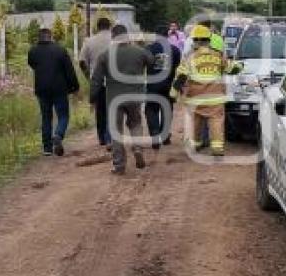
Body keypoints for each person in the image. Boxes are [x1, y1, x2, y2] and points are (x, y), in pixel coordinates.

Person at [90, 24, 155, 175]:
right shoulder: (139, 52)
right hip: (134, 96)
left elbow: (96, 80)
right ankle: (137, 148)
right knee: (136, 123)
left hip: (114, 99)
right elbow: (152, 61)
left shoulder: (105, 55)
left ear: (113, 37)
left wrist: (92, 98)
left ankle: (119, 165)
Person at [171, 24, 238, 157]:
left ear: (195, 40)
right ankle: (217, 148)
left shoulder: (190, 57)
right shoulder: (217, 55)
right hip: (215, 97)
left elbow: (181, 77)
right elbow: (231, 68)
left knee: (196, 121)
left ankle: (195, 144)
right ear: (209, 40)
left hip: (195, 97)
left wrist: (173, 93)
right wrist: (240, 66)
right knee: (216, 121)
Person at [27, 28, 79, 156]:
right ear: (50, 37)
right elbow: (69, 70)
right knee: (63, 115)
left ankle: (47, 148)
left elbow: (32, 65)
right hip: (59, 89)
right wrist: (74, 87)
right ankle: (58, 135)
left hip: (41, 89)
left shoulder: (32, 51)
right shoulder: (60, 50)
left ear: (39, 38)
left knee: (46, 117)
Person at [146, 25, 181, 149]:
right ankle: (165, 136)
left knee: (151, 109)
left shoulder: (148, 49)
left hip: (152, 85)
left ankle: (155, 134)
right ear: (167, 35)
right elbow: (178, 68)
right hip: (168, 85)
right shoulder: (175, 50)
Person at [79, 17, 113, 148]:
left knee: (100, 110)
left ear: (97, 27)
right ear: (109, 26)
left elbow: (82, 62)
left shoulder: (89, 41)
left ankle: (102, 138)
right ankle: (110, 136)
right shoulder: (115, 40)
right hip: (114, 80)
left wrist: (89, 77)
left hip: (97, 80)